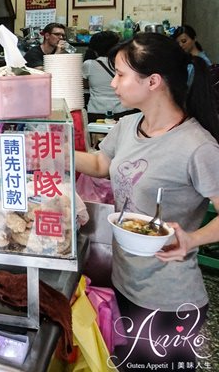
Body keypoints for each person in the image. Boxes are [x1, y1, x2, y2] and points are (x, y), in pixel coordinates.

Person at [74, 33, 219, 368]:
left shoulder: (197, 146)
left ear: (153, 81)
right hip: (124, 283)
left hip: (169, 299)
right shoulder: (127, 126)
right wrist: (52, 152)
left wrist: (192, 239)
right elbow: (100, 164)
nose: (113, 84)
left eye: (121, 74)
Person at [81, 30, 131, 123]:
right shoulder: (124, 63)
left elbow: (82, 84)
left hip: (97, 112)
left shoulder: (89, 64)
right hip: (123, 111)